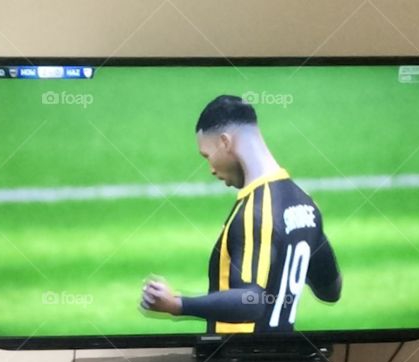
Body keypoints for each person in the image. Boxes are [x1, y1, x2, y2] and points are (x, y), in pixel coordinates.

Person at [140, 94, 342, 334]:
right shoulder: (305, 204)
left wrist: (177, 304)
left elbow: (252, 300)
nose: (211, 169)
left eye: (207, 156)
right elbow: (330, 291)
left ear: (225, 142)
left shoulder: (255, 211)